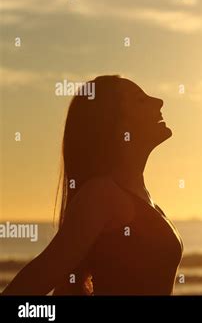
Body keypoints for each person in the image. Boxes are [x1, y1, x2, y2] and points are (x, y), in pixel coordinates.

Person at [2, 75, 183, 295]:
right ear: (115, 124)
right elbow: (37, 277)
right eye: (140, 100)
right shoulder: (101, 195)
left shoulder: (141, 197)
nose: (159, 101)